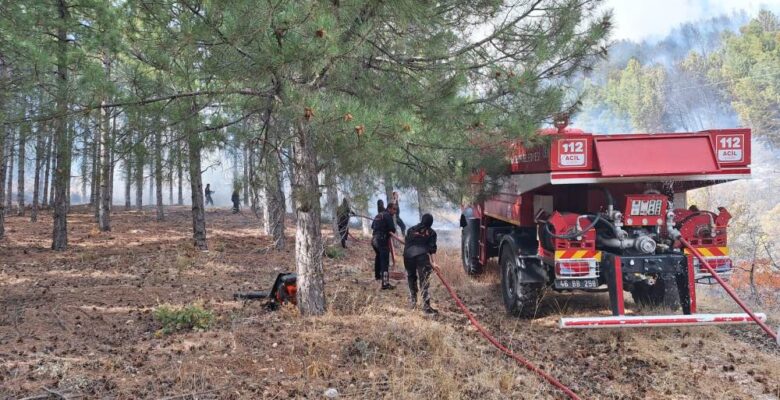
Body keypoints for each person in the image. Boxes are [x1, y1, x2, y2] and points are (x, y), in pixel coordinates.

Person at [403, 213, 438, 314]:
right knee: (424, 281)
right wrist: (434, 263)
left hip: (407, 256)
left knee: (411, 277)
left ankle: (413, 303)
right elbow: (432, 249)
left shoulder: (411, 230)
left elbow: (407, 242)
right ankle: (426, 307)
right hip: (421, 257)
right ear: (431, 223)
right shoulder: (431, 233)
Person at [372, 202, 397, 290]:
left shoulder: (378, 215)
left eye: (396, 210)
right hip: (382, 240)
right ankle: (385, 284)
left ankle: (377, 276)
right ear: (389, 208)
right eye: (394, 209)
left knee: (378, 257)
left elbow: (373, 226)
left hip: (374, 240)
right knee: (385, 262)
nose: (395, 211)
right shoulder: (387, 216)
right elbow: (392, 229)